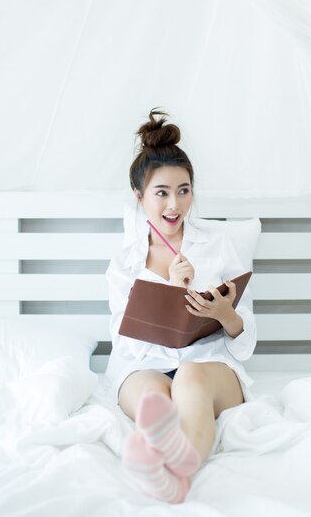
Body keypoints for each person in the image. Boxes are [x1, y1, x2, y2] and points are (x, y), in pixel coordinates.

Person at [104, 108, 257, 504]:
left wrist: (225, 315)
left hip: (208, 363)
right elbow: (126, 345)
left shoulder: (218, 243)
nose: (175, 204)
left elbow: (245, 342)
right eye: (162, 192)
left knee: (189, 375)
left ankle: (177, 469)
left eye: (184, 190)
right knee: (155, 396)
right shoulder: (126, 262)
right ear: (140, 197)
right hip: (144, 363)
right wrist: (171, 293)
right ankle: (170, 461)